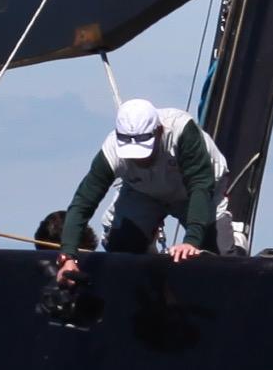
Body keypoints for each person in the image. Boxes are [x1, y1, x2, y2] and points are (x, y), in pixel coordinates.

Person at [58, 97, 229, 285]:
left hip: (196, 193)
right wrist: (68, 256)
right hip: (143, 192)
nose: (139, 160)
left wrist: (191, 241)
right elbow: (83, 201)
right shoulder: (111, 150)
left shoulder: (181, 131)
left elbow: (200, 186)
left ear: (159, 131)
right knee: (122, 243)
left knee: (220, 257)